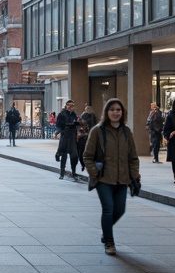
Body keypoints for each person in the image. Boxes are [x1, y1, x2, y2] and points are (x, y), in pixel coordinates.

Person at [83, 98, 141, 257]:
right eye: (112, 110)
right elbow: (87, 156)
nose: (115, 112)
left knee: (120, 210)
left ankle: (105, 231)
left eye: (118, 110)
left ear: (123, 112)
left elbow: (133, 157)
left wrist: (135, 176)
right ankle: (109, 241)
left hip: (122, 179)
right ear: (106, 112)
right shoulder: (97, 131)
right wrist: (94, 172)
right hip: (103, 179)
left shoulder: (126, 131)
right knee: (108, 209)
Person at [55, 100, 80, 180]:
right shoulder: (62, 114)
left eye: (72, 106)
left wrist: (77, 129)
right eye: (69, 105)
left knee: (74, 155)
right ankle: (62, 172)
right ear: (66, 106)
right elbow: (58, 124)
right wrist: (61, 130)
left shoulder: (74, 114)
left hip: (72, 136)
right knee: (64, 155)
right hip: (65, 135)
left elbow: (77, 124)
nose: (71, 107)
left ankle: (73, 172)